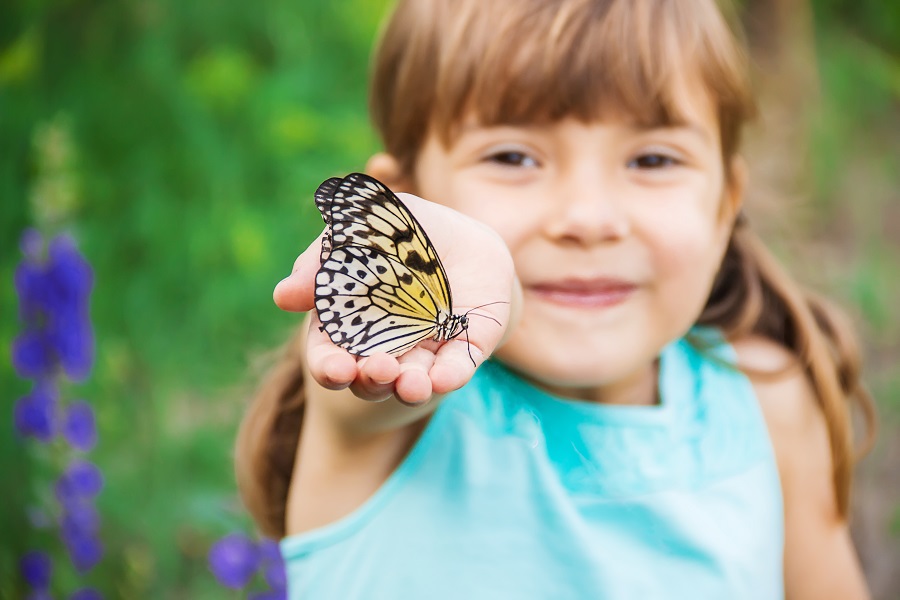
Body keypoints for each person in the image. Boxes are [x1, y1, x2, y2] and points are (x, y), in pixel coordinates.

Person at [235, 0, 876, 597]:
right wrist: (491, 287)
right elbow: (481, 312)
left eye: (652, 160)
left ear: (723, 207)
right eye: (513, 156)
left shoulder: (771, 404)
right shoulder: (391, 405)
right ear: (409, 199)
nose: (588, 217)